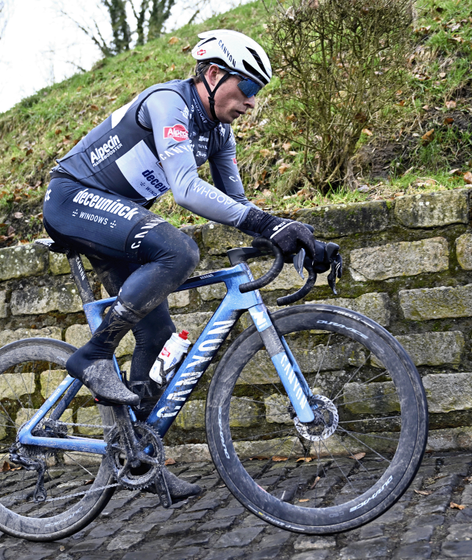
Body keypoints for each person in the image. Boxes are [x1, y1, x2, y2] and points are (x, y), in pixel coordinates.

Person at [42, 29, 334, 500]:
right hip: (72, 199)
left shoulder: (219, 132)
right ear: (214, 74)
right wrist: (266, 223)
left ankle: (137, 457)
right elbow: (184, 188)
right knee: (179, 251)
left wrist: (292, 235)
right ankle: (92, 355)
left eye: (258, 93)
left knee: (157, 339)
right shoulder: (167, 103)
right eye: (249, 89)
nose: (252, 103)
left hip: (117, 219)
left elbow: (237, 205)